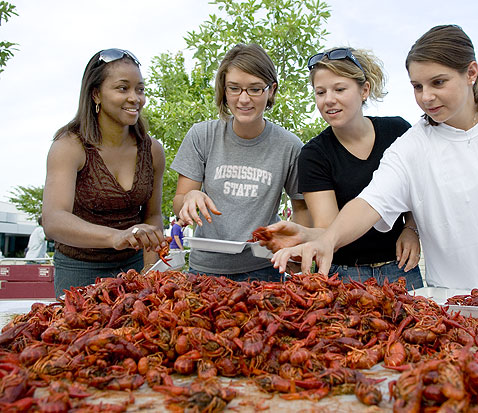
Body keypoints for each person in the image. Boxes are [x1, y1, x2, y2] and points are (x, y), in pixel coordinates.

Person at [268, 25, 478, 303]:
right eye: (417, 86)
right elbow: (369, 202)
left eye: (438, 82)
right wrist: (326, 240)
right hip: (458, 303)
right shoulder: (409, 146)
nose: (426, 96)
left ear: (471, 73)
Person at [171, 43, 310, 282]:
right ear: (223, 91)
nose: (243, 99)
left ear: (271, 91)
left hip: (264, 269)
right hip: (204, 268)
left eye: (255, 89)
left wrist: (295, 253)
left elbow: (302, 209)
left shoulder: (290, 146)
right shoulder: (202, 135)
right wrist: (189, 199)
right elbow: (179, 203)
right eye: (234, 89)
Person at [42, 48, 167, 298]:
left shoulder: (152, 150)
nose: (135, 98)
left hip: (133, 269)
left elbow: (152, 216)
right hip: (79, 270)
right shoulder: (69, 146)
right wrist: (116, 236)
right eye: (123, 88)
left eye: (140, 89)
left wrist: (151, 272)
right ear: (96, 94)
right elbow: (53, 219)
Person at [298, 47, 422, 288]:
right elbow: (328, 229)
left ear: (364, 90)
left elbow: (413, 192)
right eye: (320, 92)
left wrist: (411, 229)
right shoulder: (313, 155)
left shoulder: (397, 131)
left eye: (339, 89)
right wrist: (300, 235)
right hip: (345, 275)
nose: (328, 100)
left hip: (400, 268)